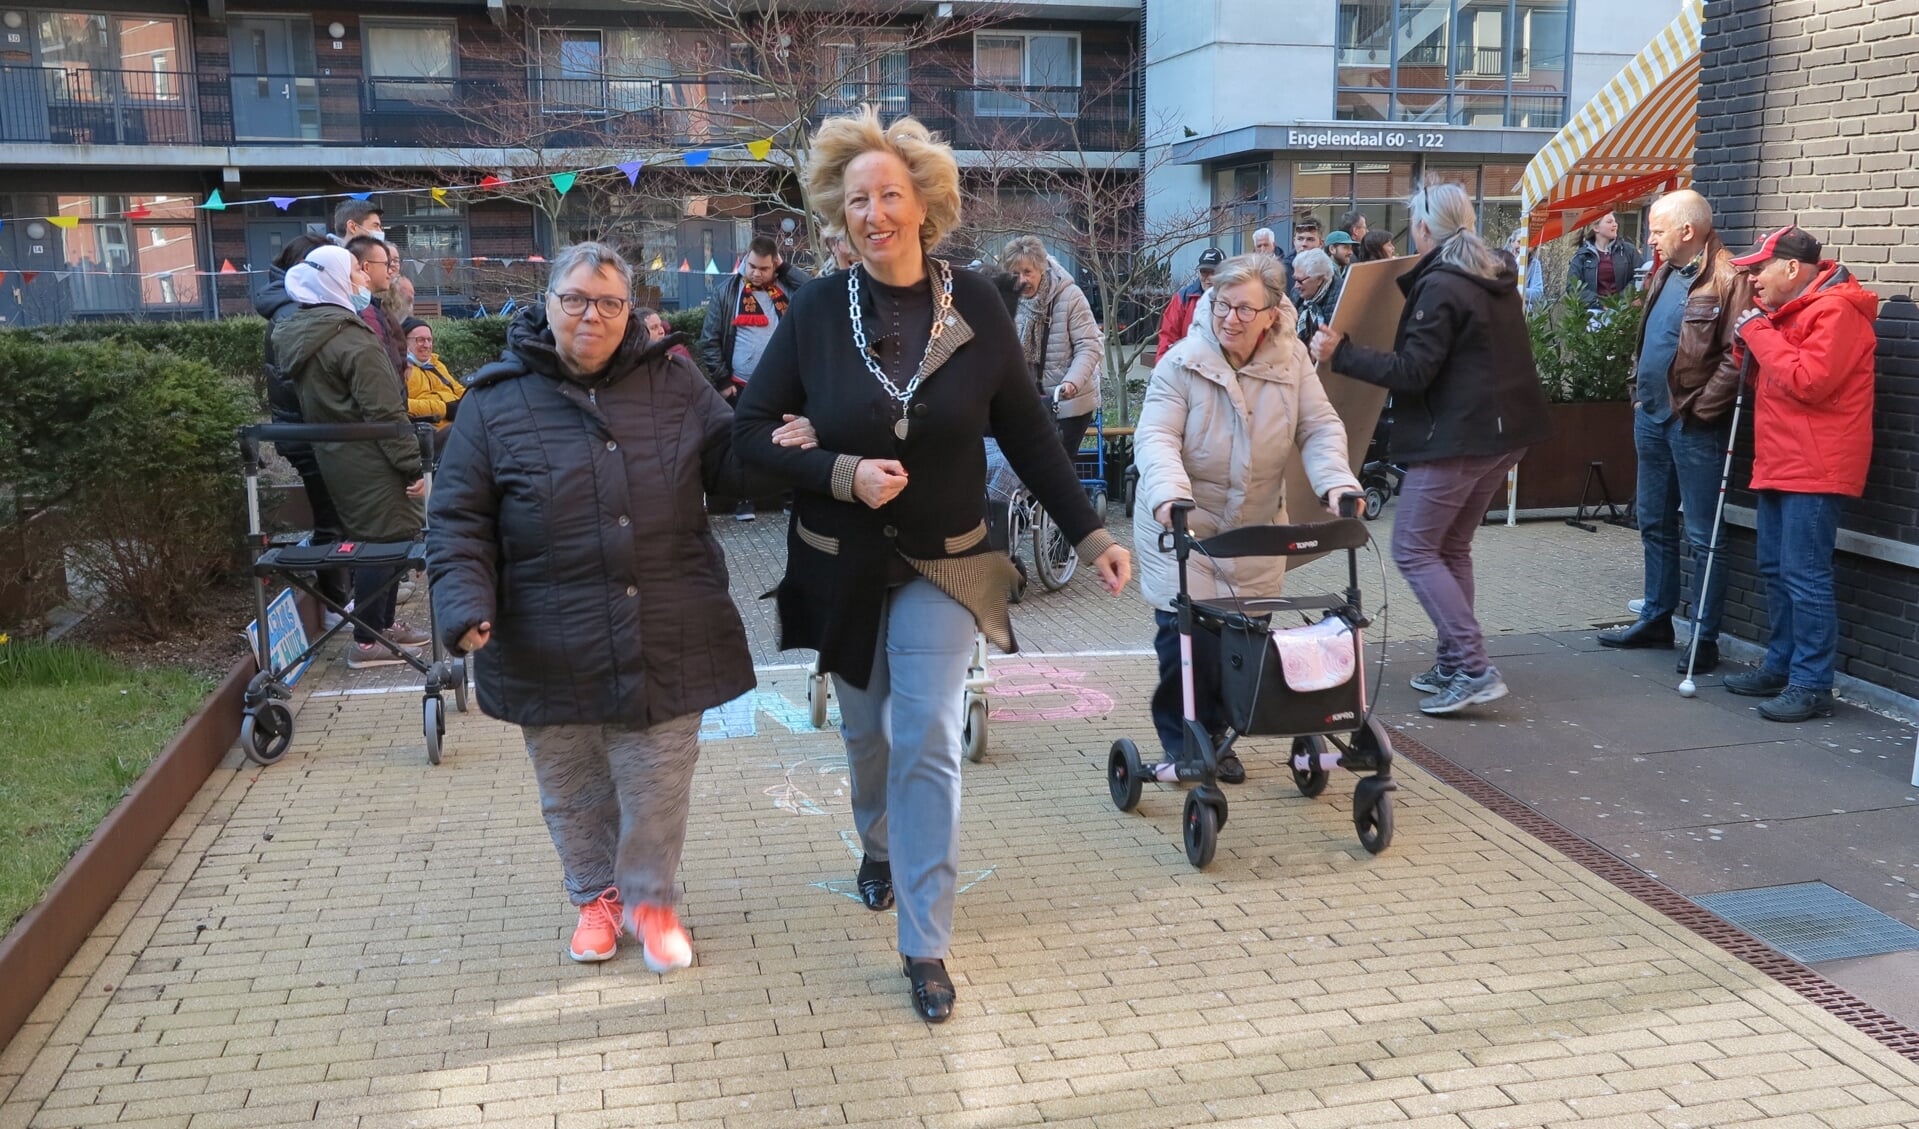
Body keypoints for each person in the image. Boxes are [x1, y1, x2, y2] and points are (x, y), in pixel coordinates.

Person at [733, 105, 1132, 1024]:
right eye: (855, 199)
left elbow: (1029, 433)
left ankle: (926, 940)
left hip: (948, 562)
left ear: (923, 203)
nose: (873, 213)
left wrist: (1091, 534)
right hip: (842, 558)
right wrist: (836, 469)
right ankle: (876, 843)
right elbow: (748, 434)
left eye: (889, 195)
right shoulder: (817, 312)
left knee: (926, 738)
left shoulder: (978, 302)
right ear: (839, 210)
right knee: (868, 734)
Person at [427, 242, 798, 972]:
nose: (589, 316)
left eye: (608, 302)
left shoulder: (674, 380)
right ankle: (595, 899)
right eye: (574, 299)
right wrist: (464, 601)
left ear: (629, 310)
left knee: (656, 782)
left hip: (667, 620)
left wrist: (783, 441)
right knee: (573, 787)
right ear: (547, 303)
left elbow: (728, 462)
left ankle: (651, 901)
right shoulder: (494, 400)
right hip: (543, 632)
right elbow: (458, 518)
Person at [1311, 180, 1551, 715]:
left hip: (1457, 437)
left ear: (1422, 228)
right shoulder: (1490, 273)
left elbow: (1414, 371)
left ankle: (1471, 666)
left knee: (1415, 548)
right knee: (1448, 547)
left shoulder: (1441, 283)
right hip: (1502, 434)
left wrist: (1341, 352)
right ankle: (1454, 660)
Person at [1134, 253, 1362, 784]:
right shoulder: (1183, 362)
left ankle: (1224, 731)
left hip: (1256, 524)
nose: (1230, 318)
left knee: (1246, 637)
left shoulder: (1292, 363)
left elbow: (1319, 427)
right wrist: (1169, 494)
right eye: (1222, 305)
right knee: (1186, 637)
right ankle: (1189, 739)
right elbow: (1156, 436)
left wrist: (1337, 483)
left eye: (1244, 309)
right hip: (1183, 521)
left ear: (1272, 312)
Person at [1723, 225, 1878, 722]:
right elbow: (1779, 375)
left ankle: (1811, 684)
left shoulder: (1835, 312)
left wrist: (1758, 333)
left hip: (1815, 465)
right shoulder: (1792, 312)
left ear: (1792, 269)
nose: (1753, 280)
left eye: (1759, 269)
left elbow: (1808, 381)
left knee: (1804, 575)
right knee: (1776, 568)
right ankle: (1783, 666)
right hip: (1785, 459)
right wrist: (1751, 345)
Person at [1597, 191, 1753, 674]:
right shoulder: (1664, 271)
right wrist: (1637, 390)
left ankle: (1704, 637)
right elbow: (1650, 336)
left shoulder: (1728, 278)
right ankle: (1657, 617)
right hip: (1652, 416)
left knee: (1704, 533)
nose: (1650, 237)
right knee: (1653, 522)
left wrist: (1701, 409)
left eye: (1658, 228)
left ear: (1688, 230)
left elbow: (1738, 355)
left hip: (1692, 423)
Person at [270, 245, 430, 669]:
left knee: (383, 539)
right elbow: (385, 413)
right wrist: (415, 466)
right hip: (370, 457)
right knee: (388, 538)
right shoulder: (351, 338)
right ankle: (367, 638)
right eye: (356, 272)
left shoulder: (304, 331)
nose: (362, 279)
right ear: (336, 280)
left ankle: (383, 625)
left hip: (340, 454)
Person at [256, 233, 350, 624]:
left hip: (306, 430)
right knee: (333, 517)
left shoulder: (292, 308)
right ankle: (335, 603)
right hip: (311, 433)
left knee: (335, 514)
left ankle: (339, 594)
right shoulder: (294, 314)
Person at [698, 233, 811, 520]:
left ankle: (787, 497)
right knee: (742, 442)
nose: (756, 273)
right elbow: (709, 340)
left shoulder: (786, 287)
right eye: (751, 266)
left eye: (764, 268)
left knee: (785, 440)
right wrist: (723, 383)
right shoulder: (727, 291)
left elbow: (813, 289)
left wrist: (786, 270)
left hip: (783, 385)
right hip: (740, 384)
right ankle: (743, 500)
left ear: (775, 266)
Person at [1004, 236, 1102, 455]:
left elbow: (1088, 346)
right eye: (1015, 274)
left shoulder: (1069, 295)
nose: (1021, 281)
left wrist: (1071, 383)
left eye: (1027, 272)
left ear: (1041, 268)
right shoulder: (1008, 299)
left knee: (1057, 465)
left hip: (1068, 399)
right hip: (1030, 400)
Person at [400, 318, 466, 454]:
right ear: (404, 342)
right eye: (420, 340)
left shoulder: (436, 365)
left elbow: (459, 390)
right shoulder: (401, 369)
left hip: (458, 424)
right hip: (428, 432)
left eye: (429, 340)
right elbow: (400, 405)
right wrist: (444, 409)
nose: (426, 345)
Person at [345, 235, 406, 376]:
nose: (390, 271)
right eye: (386, 264)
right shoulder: (364, 312)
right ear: (366, 266)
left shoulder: (376, 306)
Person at [1155, 247, 1223, 364]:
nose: (1208, 278)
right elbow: (1168, 336)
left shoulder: (1234, 300)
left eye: (1214, 272)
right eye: (1204, 272)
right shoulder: (1183, 298)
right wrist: (1161, 369)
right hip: (1188, 367)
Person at [1568, 211, 1638, 308]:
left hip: (1624, 312)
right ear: (1596, 228)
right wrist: (1599, 303)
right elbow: (1572, 287)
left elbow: (1640, 277)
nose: (1615, 225)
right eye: (1609, 222)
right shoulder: (1582, 255)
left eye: (1615, 221)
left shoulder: (1628, 250)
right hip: (1592, 313)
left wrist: (1621, 301)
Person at [1290, 248, 1341, 346]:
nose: (1296, 285)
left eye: (1300, 280)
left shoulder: (1341, 299)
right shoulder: (1296, 294)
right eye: (1294, 279)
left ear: (1319, 279)